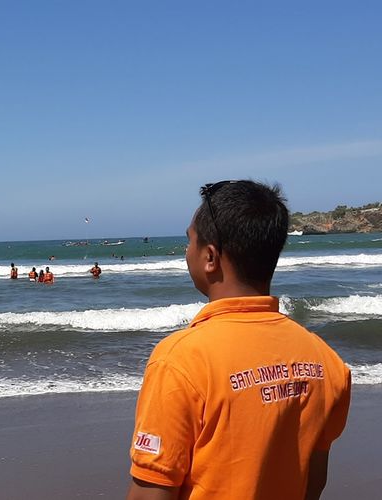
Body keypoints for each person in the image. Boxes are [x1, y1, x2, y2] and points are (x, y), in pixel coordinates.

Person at [127, 180, 351, 500]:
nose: (185, 251)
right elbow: (312, 484)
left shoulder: (180, 361)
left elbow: (151, 493)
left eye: (189, 241)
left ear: (210, 257)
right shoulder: (326, 361)